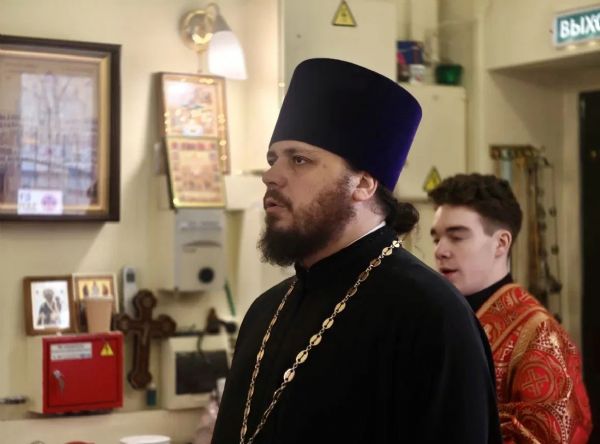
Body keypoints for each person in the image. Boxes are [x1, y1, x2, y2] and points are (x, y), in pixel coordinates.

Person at [211, 58, 502, 444]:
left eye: (299, 159)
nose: (271, 175)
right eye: (272, 159)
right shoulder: (265, 311)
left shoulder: (432, 316)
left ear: (363, 184)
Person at [429, 173, 593, 443]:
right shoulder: (438, 317)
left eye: (456, 237)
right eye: (437, 239)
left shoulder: (540, 335)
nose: (440, 251)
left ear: (501, 243)